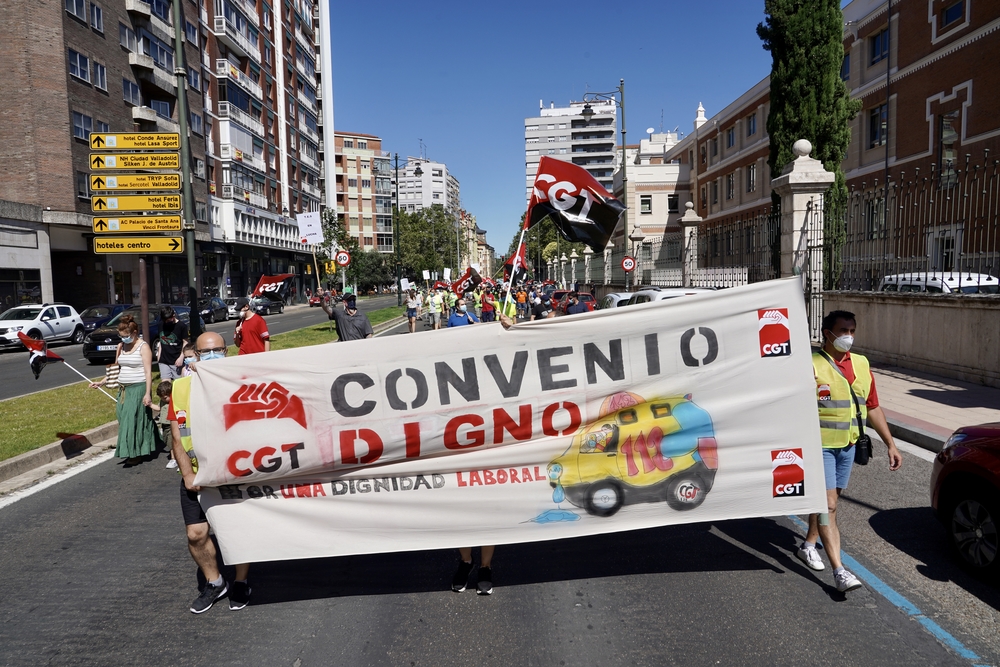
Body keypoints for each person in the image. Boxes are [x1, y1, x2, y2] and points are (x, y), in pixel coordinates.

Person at [796, 310, 903, 593]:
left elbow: (872, 406)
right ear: (827, 334)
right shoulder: (811, 365)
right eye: (843, 330)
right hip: (819, 446)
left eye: (853, 330)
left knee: (828, 503)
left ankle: (808, 544)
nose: (849, 336)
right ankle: (839, 571)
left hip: (849, 445)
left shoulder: (861, 363)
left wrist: (891, 443)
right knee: (829, 505)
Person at [169, 331, 251, 613]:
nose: (212, 356)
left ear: (226, 353)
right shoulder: (180, 389)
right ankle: (215, 583)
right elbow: (177, 436)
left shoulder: (240, 384)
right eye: (205, 352)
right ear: (195, 357)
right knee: (195, 534)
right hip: (197, 474)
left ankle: (240, 582)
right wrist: (187, 474)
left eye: (217, 350)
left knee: (238, 531)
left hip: (234, 474)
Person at [89, 314, 158, 465]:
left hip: (137, 388)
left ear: (134, 333)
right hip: (123, 389)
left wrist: (147, 393)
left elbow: (148, 372)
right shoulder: (121, 346)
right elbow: (116, 368)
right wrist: (101, 382)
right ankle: (149, 443)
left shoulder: (143, 347)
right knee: (125, 418)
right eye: (121, 336)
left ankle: (133, 453)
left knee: (130, 421)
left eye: (126, 336)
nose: (124, 339)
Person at [156, 306, 188, 380]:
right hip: (164, 360)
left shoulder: (181, 326)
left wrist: (181, 357)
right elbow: (161, 341)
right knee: (165, 385)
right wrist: (159, 356)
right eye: (165, 320)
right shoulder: (161, 325)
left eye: (168, 320)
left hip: (176, 360)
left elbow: (185, 342)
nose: (167, 322)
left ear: (173, 315)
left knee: (179, 384)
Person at [154, 379, 177, 469]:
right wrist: (150, 404)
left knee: (172, 442)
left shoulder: (174, 401)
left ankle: (173, 459)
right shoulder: (163, 402)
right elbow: (159, 408)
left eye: (165, 397)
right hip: (164, 424)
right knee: (167, 440)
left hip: (172, 424)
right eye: (161, 397)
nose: (163, 399)